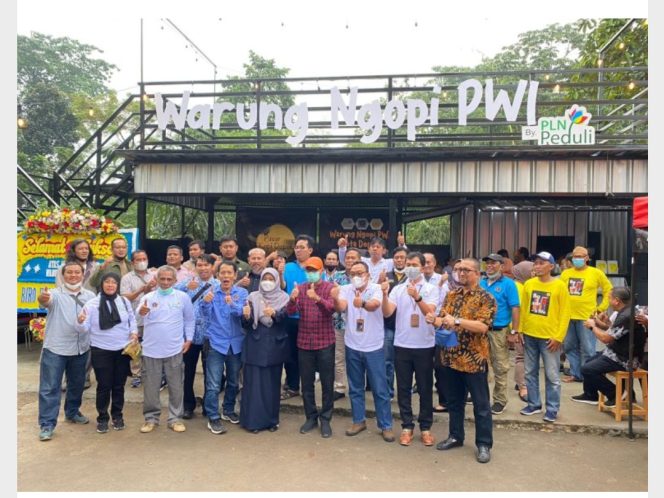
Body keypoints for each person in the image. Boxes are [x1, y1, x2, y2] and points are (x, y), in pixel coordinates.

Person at [429, 257, 497, 464]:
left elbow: (483, 327)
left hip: (474, 360)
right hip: (451, 357)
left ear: (477, 273)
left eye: (466, 270)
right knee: (454, 402)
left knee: (481, 405)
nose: (461, 273)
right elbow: (443, 320)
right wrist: (435, 320)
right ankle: (456, 436)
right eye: (459, 269)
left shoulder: (486, 298)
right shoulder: (452, 295)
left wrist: (456, 321)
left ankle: (484, 444)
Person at [381, 251, 439, 447]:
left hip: (424, 345)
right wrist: (383, 293)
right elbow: (388, 311)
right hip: (402, 344)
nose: (411, 267)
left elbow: (430, 313)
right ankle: (407, 425)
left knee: (424, 388)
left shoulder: (431, 289)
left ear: (423, 267)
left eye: (415, 264)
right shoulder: (398, 289)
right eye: (408, 264)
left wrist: (418, 297)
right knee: (403, 388)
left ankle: (425, 427)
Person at [334, 261, 395, 442]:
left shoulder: (376, 288)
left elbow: (375, 306)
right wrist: (335, 298)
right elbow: (341, 307)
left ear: (368, 274)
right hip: (352, 344)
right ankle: (358, 420)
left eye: (360, 273)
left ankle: (386, 425)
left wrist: (363, 303)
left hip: (374, 347)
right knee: (355, 387)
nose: (356, 276)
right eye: (353, 273)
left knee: (380, 388)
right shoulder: (346, 288)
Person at [36, 262, 96, 441]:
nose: (73, 275)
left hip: (81, 348)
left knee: (77, 384)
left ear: (83, 274)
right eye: (69, 272)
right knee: (50, 388)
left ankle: (72, 412)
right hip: (56, 348)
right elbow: (44, 301)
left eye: (77, 272)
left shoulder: (90, 296)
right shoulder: (54, 294)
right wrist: (43, 298)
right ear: (63, 275)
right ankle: (47, 424)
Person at [75, 273, 138, 433]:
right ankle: (102, 418)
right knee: (104, 386)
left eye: (113, 282)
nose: (110, 285)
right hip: (101, 350)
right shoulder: (91, 304)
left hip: (122, 350)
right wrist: (80, 321)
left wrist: (134, 332)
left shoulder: (124, 301)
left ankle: (117, 416)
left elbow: (132, 319)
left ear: (117, 285)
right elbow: (83, 329)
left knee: (119, 385)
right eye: (107, 282)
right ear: (102, 284)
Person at [138, 265, 195, 434]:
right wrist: (142, 311)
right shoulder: (148, 297)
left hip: (174, 349)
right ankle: (151, 419)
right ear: (156, 279)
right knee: (150, 387)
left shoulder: (182, 297)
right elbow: (137, 317)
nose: (165, 282)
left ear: (175, 280)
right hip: (151, 350)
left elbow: (189, 320)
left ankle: (175, 418)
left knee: (176, 386)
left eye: (169, 279)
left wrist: (189, 339)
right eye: (162, 279)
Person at [286, 256, 336, 438]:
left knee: (327, 383)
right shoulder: (299, 288)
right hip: (304, 342)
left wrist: (318, 299)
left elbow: (331, 310)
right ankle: (311, 417)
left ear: (321, 271)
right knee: (306, 383)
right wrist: (292, 300)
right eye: (308, 270)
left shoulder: (329, 288)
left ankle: (326, 419)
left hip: (325, 342)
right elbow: (290, 312)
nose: (311, 273)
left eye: (314, 270)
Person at [571, 287, 646, 406]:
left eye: (609, 298)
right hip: (618, 352)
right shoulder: (626, 311)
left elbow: (606, 338)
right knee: (588, 362)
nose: (608, 301)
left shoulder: (626, 316)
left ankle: (616, 393)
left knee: (587, 369)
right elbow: (616, 332)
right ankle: (590, 395)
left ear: (617, 300)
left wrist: (592, 327)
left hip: (625, 358)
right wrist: (599, 323)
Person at [519, 251, 571, 423]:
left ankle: (552, 408)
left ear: (551, 266)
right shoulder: (529, 284)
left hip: (550, 338)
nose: (538, 266)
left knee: (552, 375)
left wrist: (559, 337)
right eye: (536, 263)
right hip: (530, 335)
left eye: (542, 263)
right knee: (529, 372)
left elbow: (565, 313)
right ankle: (534, 404)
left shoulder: (559, 286)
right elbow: (524, 309)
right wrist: (520, 329)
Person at [239, 268, 290, 433]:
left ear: (276, 281)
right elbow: (246, 325)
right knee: (253, 384)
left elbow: (285, 320)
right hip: (255, 342)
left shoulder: (284, 298)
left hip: (275, 343)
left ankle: (271, 421)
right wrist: (246, 316)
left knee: (272, 384)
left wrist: (274, 314)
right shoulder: (253, 296)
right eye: (264, 278)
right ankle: (252, 422)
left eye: (271, 278)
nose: (267, 282)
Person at [201, 261, 249, 434]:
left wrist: (232, 304)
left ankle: (228, 410)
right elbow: (204, 315)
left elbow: (243, 314)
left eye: (230, 273)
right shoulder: (211, 292)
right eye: (223, 273)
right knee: (213, 384)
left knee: (234, 381)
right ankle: (213, 417)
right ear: (218, 275)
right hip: (216, 343)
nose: (226, 276)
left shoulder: (242, 292)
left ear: (235, 275)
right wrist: (206, 303)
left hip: (236, 344)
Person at [174, 254, 220, 419]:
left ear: (212, 267)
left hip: (210, 335)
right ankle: (188, 405)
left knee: (211, 373)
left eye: (206, 265)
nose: (203, 268)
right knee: (188, 372)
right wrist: (186, 289)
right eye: (199, 265)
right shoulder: (188, 283)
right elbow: (170, 293)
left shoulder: (218, 285)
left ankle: (209, 406)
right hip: (189, 336)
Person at [560, 246, 613, 383]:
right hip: (568, 316)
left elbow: (609, 290)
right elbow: (558, 292)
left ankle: (589, 376)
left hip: (587, 317)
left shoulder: (596, 273)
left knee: (588, 349)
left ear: (587, 258)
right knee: (570, 347)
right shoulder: (566, 274)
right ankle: (576, 374)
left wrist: (601, 309)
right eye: (575, 256)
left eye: (580, 256)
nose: (577, 259)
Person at [479, 253, 520, 415]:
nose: (489, 266)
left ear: (502, 266)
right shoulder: (481, 283)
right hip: (481, 330)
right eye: (487, 263)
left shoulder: (509, 284)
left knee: (500, 366)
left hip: (499, 331)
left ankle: (499, 400)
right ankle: (481, 397)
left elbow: (515, 308)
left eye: (493, 263)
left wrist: (514, 331)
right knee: (480, 365)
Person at [280, 234, 315, 400]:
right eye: (297, 247)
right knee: (290, 352)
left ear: (310, 250)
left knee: (306, 353)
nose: (298, 250)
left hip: (309, 318)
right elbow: (281, 287)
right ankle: (293, 385)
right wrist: (280, 274)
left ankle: (307, 385)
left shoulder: (315, 268)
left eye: (302, 247)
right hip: (290, 315)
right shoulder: (287, 267)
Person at [120, 249, 157, 388]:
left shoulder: (154, 275)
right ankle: (136, 374)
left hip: (152, 318)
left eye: (144, 259)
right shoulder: (127, 278)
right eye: (138, 260)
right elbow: (125, 297)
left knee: (151, 346)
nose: (142, 262)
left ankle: (150, 373)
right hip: (134, 318)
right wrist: (142, 289)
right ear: (133, 262)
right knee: (135, 347)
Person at [330, 247, 362, 401]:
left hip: (360, 325)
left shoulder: (364, 278)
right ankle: (340, 387)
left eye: (353, 257)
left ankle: (358, 386)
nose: (349, 260)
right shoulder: (337, 277)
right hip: (339, 323)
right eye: (347, 257)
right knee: (339, 356)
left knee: (358, 357)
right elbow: (329, 298)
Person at [382, 246, 409, 399]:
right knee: (387, 361)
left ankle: (405, 392)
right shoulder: (385, 276)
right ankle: (388, 391)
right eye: (396, 257)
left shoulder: (413, 277)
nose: (399, 260)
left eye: (402, 257)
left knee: (404, 363)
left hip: (407, 328)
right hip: (389, 326)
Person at [511, 260, 534, 402]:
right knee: (521, 357)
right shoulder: (518, 288)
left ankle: (519, 381)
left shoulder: (524, 285)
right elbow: (518, 311)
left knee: (526, 357)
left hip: (526, 327)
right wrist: (517, 330)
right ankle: (523, 386)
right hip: (521, 328)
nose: (534, 272)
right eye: (531, 270)